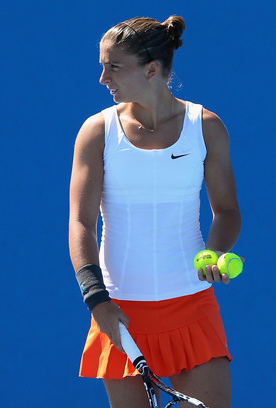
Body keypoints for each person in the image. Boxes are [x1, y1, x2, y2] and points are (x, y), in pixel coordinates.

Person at [68, 16, 240, 407]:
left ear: (152, 69)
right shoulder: (97, 131)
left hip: (193, 306)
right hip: (120, 313)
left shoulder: (206, 127)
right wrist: (97, 301)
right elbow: (80, 223)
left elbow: (227, 210)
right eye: (102, 65)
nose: (102, 78)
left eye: (113, 66)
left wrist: (213, 251)